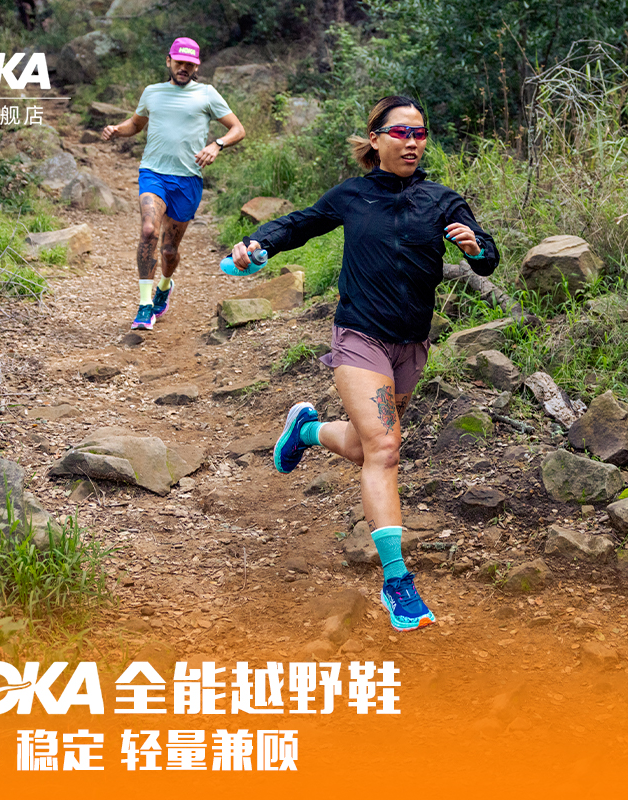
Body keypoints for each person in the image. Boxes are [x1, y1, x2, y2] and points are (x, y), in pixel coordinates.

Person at [231, 95, 499, 632]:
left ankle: (307, 430)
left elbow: (488, 257)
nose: (412, 143)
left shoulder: (442, 201)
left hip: (411, 345)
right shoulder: (353, 195)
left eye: (420, 134)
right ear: (375, 139)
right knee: (385, 448)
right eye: (401, 133)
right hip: (360, 335)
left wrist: (473, 247)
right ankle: (397, 581)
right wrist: (258, 242)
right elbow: (301, 224)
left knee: (363, 446)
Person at [103, 37, 245, 330]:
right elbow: (136, 124)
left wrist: (217, 144)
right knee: (148, 231)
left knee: (169, 251)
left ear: (197, 67)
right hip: (153, 173)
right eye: (179, 62)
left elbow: (237, 129)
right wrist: (118, 130)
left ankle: (164, 286)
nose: (184, 68)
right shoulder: (152, 93)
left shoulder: (207, 94)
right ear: (169, 61)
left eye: (189, 64)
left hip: (187, 180)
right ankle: (144, 306)